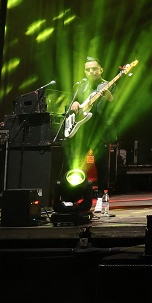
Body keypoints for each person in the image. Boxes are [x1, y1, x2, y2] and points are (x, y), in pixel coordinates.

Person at [65, 56, 117, 213]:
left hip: (100, 130)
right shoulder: (80, 86)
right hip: (82, 130)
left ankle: (101, 198)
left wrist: (108, 97)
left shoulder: (108, 85)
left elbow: (114, 104)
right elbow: (73, 104)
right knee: (76, 164)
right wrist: (74, 103)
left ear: (101, 70)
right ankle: (75, 196)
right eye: (88, 69)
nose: (91, 72)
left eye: (94, 69)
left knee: (102, 166)